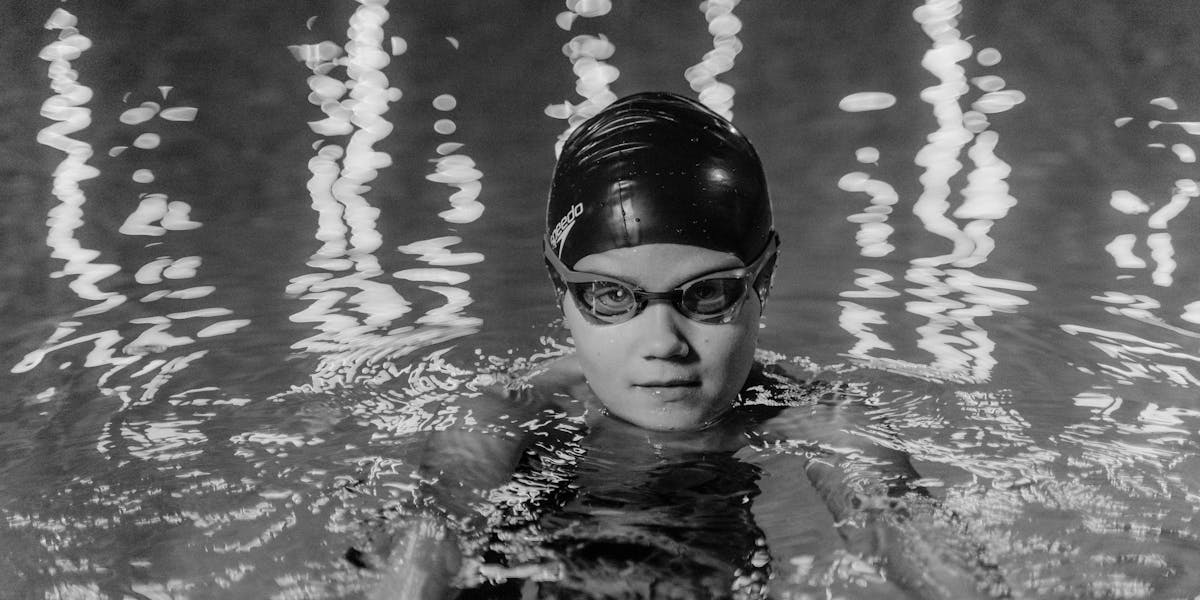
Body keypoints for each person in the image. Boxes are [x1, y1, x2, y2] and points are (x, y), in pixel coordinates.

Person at [362, 92, 1004, 599]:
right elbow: (430, 538)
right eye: (611, 297)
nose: (664, 344)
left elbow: (895, 523)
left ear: (765, 279)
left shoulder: (815, 418)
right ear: (558, 287)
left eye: (705, 295)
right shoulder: (509, 415)